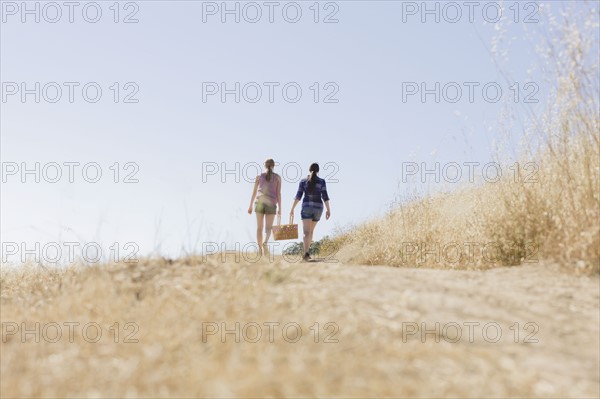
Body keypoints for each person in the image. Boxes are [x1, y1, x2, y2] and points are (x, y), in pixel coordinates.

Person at [290, 162, 331, 261]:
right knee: (311, 231)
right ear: (318, 171)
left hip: (307, 207)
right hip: (318, 208)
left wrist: (292, 208)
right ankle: (307, 253)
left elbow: (298, 196)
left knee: (306, 232)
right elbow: (325, 196)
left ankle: (306, 253)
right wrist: (328, 209)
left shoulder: (303, 181)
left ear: (309, 170)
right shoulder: (322, 181)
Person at [248, 158, 281, 256]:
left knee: (259, 228)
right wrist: (280, 207)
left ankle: (259, 250)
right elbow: (279, 193)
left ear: (265, 165)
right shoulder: (278, 178)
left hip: (259, 202)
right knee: (268, 228)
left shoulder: (259, 177)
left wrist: (250, 206)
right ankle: (265, 243)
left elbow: (254, 192)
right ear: (274, 165)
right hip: (271, 203)